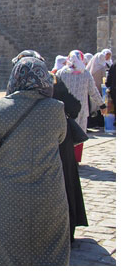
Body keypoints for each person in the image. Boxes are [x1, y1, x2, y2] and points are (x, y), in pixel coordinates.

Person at [0, 53, 69, 265]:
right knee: (51, 245)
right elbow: (60, 138)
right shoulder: (56, 108)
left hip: (10, 193)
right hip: (50, 191)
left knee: (9, 247)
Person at [50, 64, 89, 242]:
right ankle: (68, 230)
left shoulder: (20, 84)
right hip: (61, 141)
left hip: (35, 144)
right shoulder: (53, 81)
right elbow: (74, 107)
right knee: (66, 183)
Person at [55, 50, 102, 162]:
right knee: (79, 133)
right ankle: (76, 159)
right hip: (81, 110)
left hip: (64, 108)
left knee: (65, 133)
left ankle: (66, 158)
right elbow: (93, 91)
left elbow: (55, 88)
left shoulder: (61, 72)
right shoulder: (85, 73)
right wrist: (102, 104)